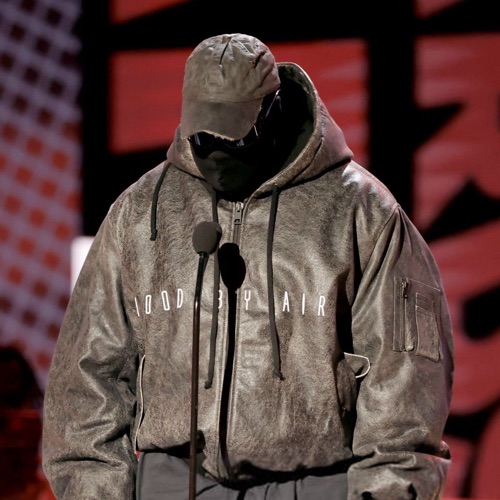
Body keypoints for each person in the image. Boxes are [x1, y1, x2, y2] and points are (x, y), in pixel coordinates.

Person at [42, 33, 454, 499]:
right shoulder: (140, 213)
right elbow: (87, 378)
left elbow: (405, 386)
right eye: (202, 136)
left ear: (272, 111)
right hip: (174, 482)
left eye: (234, 136)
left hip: (316, 485)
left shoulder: (362, 213)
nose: (216, 153)